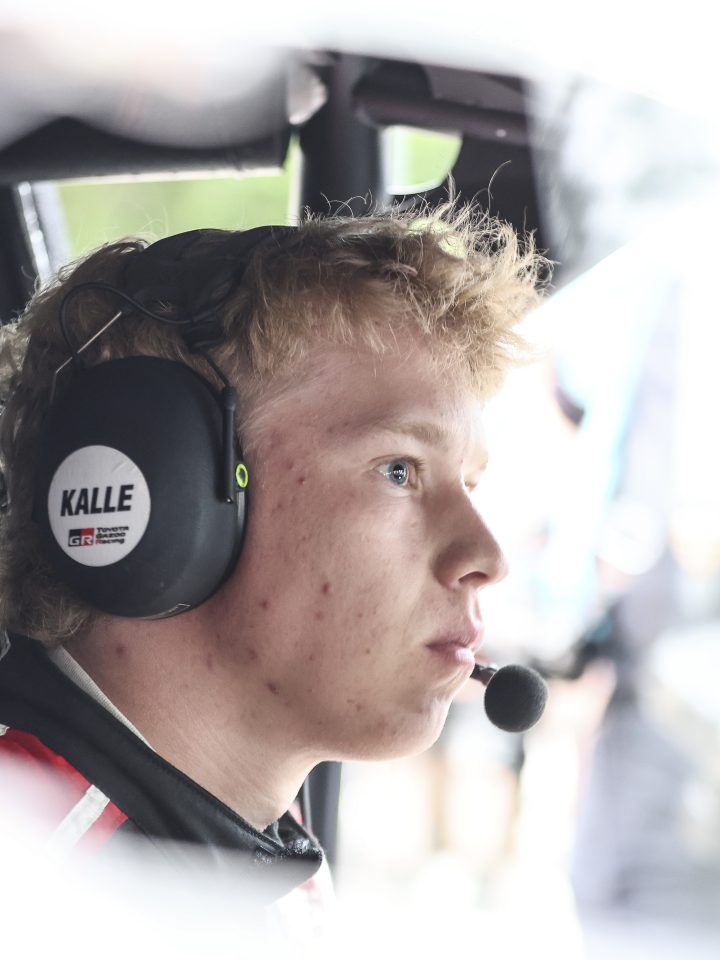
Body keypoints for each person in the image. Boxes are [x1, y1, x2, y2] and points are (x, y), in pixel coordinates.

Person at [0, 206, 546, 929]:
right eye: (399, 470)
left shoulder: (257, 864)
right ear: (166, 488)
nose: (487, 559)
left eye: (467, 484)